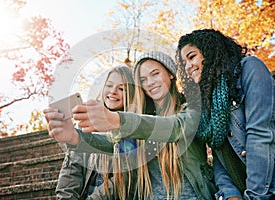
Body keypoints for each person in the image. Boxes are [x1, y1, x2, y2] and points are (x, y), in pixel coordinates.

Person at [72, 51, 217, 199]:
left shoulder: (191, 107)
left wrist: (118, 120)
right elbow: (114, 144)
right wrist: (76, 137)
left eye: (155, 74)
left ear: (170, 73)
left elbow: (175, 128)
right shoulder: (143, 119)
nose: (150, 82)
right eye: (143, 79)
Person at [176, 29, 275, 200]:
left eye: (191, 57)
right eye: (184, 62)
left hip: (265, 189)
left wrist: (255, 196)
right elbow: (219, 157)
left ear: (210, 51)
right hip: (243, 190)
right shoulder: (207, 97)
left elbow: (260, 136)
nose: (187, 67)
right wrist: (230, 194)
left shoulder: (249, 68)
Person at [44, 65, 136, 199]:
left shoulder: (132, 128)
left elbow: (123, 179)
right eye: (109, 85)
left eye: (122, 89)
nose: (113, 91)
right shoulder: (86, 126)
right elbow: (71, 171)